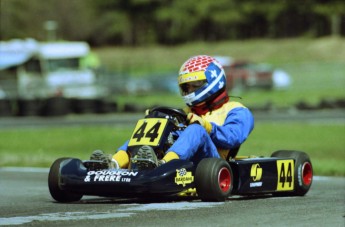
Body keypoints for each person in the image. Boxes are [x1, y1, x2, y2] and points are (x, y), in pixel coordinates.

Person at [91, 55, 254, 169]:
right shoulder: (186, 111)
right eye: (186, 87)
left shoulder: (236, 110)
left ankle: (163, 166)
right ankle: (114, 163)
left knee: (196, 129)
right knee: (149, 129)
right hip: (185, 160)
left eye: (194, 85)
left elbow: (233, 137)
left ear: (213, 80)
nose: (189, 90)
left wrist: (206, 126)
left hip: (213, 163)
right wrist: (158, 121)